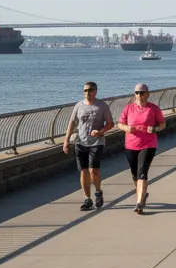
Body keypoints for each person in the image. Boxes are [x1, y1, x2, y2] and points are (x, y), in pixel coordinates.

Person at [63, 81, 114, 211]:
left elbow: (110, 123)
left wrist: (100, 132)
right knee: (84, 171)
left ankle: (98, 192)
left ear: (96, 91)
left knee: (93, 170)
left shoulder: (102, 106)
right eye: (85, 90)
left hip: (96, 142)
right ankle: (87, 199)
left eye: (90, 90)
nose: (87, 93)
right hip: (80, 142)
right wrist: (66, 140)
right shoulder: (79, 106)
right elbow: (72, 123)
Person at [117, 83, 166, 215]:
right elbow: (120, 124)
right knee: (135, 174)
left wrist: (155, 129)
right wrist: (127, 128)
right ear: (134, 94)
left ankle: (139, 203)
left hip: (148, 145)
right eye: (137, 92)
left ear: (148, 94)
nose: (140, 95)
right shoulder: (128, 108)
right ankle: (142, 194)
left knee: (142, 172)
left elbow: (163, 124)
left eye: (142, 92)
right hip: (131, 145)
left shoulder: (154, 109)